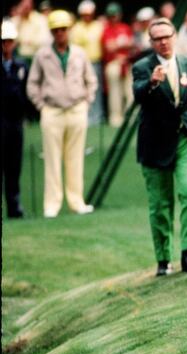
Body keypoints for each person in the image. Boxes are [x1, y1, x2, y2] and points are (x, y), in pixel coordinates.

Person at [132, 18, 187, 276]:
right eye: (157, 38)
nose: (163, 42)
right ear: (151, 42)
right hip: (155, 143)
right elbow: (138, 95)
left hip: (186, 137)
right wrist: (152, 83)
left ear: (175, 36)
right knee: (160, 204)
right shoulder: (143, 67)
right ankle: (164, 259)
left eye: (167, 36)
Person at [27, 10, 97, 218]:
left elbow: (91, 80)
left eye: (63, 30)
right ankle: (52, 205)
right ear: (51, 32)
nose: (60, 34)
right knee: (52, 159)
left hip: (76, 109)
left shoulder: (79, 53)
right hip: (52, 111)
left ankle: (77, 202)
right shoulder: (42, 54)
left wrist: (86, 102)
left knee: (75, 159)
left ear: (69, 30)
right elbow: (33, 84)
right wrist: (41, 106)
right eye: (56, 30)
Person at [2, 20, 27, 219]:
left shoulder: (20, 66)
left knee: (14, 166)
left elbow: (23, 95)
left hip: (15, 123)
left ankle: (14, 205)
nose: (6, 46)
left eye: (9, 41)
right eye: (3, 42)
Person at [70, 0, 105, 125]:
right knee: (82, 90)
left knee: (97, 90)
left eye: (89, 13)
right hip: (81, 63)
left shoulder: (99, 25)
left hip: (96, 61)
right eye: (84, 14)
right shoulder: (76, 28)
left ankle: (98, 117)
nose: (87, 16)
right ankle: (85, 117)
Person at [101, 2, 133, 127]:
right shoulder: (106, 29)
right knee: (115, 92)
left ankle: (130, 117)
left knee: (129, 91)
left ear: (119, 15)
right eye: (111, 15)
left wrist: (118, 45)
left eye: (115, 14)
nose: (113, 17)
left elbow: (131, 44)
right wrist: (122, 44)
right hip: (113, 63)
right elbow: (109, 47)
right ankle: (115, 117)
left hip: (126, 62)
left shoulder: (125, 27)